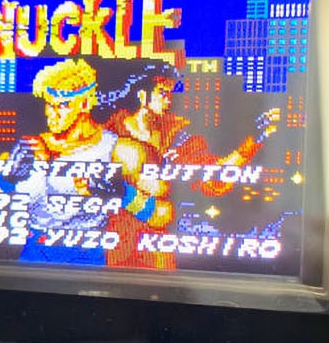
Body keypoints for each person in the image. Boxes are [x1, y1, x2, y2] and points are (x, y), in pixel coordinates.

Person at [99, 61, 280, 268]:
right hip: (114, 249)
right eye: (162, 92)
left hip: (159, 250)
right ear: (142, 95)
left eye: (170, 92)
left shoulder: (177, 137)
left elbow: (214, 179)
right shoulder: (108, 133)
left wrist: (251, 143)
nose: (169, 99)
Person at [0, 58, 169, 265]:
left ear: (85, 103)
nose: (52, 114)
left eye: (62, 105)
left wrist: (123, 194)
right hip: (30, 261)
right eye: (49, 104)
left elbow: (162, 215)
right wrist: (6, 180)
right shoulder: (31, 146)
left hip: (88, 264)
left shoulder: (121, 150)